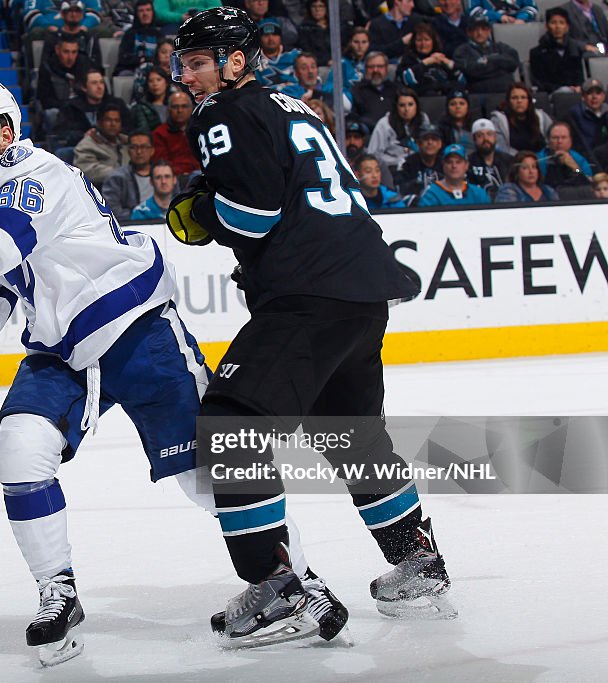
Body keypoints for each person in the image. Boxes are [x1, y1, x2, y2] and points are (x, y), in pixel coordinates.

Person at [0, 76, 351, 661]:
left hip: (134, 331)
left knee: (205, 476)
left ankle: (296, 581)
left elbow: (1, 245)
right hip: (61, 351)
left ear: (4, 132)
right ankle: (57, 592)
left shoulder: (37, 175)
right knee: (18, 448)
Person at [168, 6, 451, 643]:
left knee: (231, 425)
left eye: (199, 62)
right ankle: (418, 563)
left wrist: (203, 212)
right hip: (360, 289)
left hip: (308, 293)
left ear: (236, 60)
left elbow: (255, 216)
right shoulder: (295, 107)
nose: (187, 76)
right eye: (182, 64)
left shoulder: (221, 113)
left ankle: (276, 590)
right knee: (350, 434)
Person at [453, 14, 520, 95]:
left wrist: (489, 61)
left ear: (489, 31)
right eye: (475, 29)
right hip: (479, 94)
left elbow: (513, 63)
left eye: (483, 29)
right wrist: (498, 66)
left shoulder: (500, 46)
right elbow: (471, 72)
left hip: (506, 92)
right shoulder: (461, 51)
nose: (480, 33)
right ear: (469, 32)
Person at [366, 87, 430, 171]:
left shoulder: (423, 119)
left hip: (419, 166)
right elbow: (373, 154)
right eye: (402, 105)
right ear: (396, 107)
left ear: (416, 106)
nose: (406, 109)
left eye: (410, 104)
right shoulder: (384, 124)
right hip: (392, 168)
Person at [396, 22, 465, 97]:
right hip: (424, 98)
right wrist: (426, 62)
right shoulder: (408, 59)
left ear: (433, 41)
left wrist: (448, 63)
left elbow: (462, 81)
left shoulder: (441, 57)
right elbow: (407, 79)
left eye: (426, 40)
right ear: (414, 42)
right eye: (419, 40)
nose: (423, 44)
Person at [529, 8, 586, 95]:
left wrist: (578, 86)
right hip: (552, 94)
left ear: (567, 27)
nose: (557, 27)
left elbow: (580, 75)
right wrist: (562, 88)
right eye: (553, 23)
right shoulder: (537, 53)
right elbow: (540, 82)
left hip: (576, 92)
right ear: (547, 26)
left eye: (561, 23)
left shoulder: (575, 49)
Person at [72, 102, 129, 187]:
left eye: (117, 121)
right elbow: (87, 171)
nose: (113, 124)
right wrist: (121, 174)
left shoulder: (128, 142)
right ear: (99, 123)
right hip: (101, 191)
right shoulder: (86, 145)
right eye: (108, 120)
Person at [102, 131, 157, 220]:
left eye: (143, 147)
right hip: (130, 226)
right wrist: (139, 215)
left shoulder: (164, 175)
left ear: (152, 150)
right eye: (134, 147)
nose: (139, 152)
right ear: (128, 150)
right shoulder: (116, 178)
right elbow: (111, 211)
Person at [417, 143, 492, 206]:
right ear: (443, 165)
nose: (454, 166)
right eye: (449, 162)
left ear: (466, 165)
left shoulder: (478, 193)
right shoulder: (432, 194)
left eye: (458, 162)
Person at [489, 82, 552, 155]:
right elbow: (501, 148)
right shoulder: (498, 120)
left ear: (529, 100)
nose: (519, 101)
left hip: (542, 160)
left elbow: (551, 140)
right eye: (514, 98)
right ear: (508, 101)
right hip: (512, 161)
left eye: (523, 97)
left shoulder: (542, 116)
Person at [152, 91, 199, 179]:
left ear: (191, 108)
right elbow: (162, 164)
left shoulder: (200, 130)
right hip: (173, 179)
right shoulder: (159, 133)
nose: (180, 111)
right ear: (169, 109)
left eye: (184, 106)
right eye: (175, 107)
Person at [394, 122, 444, 203]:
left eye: (434, 139)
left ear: (440, 144)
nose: (430, 142)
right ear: (418, 143)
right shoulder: (407, 164)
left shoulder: (446, 164)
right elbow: (400, 191)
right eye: (426, 139)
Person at [537, 121, 594, 189]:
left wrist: (575, 168)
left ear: (570, 140)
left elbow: (589, 182)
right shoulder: (539, 159)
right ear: (548, 140)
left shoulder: (579, 159)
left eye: (563, 137)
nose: (559, 141)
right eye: (555, 138)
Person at [113, 0, 164, 76]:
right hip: (132, 69)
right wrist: (140, 60)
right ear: (136, 14)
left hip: (155, 71)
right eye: (141, 11)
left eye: (148, 10)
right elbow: (123, 58)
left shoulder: (159, 35)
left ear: (152, 13)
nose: (145, 14)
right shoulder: (129, 34)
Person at [350, 51, 398, 130]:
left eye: (380, 66)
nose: (375, 70)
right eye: (371, 67)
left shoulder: (396, 90)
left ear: (386, 69)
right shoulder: (356, 91)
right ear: (365, 69)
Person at [467, 118, 513, 198]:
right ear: (474, 139)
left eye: (489, 134)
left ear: (495, 137)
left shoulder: (508, 160)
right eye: (480, 135)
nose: (485, 139)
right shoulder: (468, 163)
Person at [565, 78, 608, 158]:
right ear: (583, 96)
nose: (594, 97)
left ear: (603, 96)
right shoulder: (574, 114)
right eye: (590, 93)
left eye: (598, 93)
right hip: (586, 159)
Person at [494, 150, 559, 202]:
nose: (531, 171)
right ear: (517, 172)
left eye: (533, 167)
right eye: (525, 168)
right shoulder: (508, 191)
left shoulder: (549, 191)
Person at [130, 65, 174, 132]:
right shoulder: (141, 107)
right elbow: (143, 129)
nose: (155, 84)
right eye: (151, 81)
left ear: (166, 82)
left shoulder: (175, 104)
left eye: (158, 80)